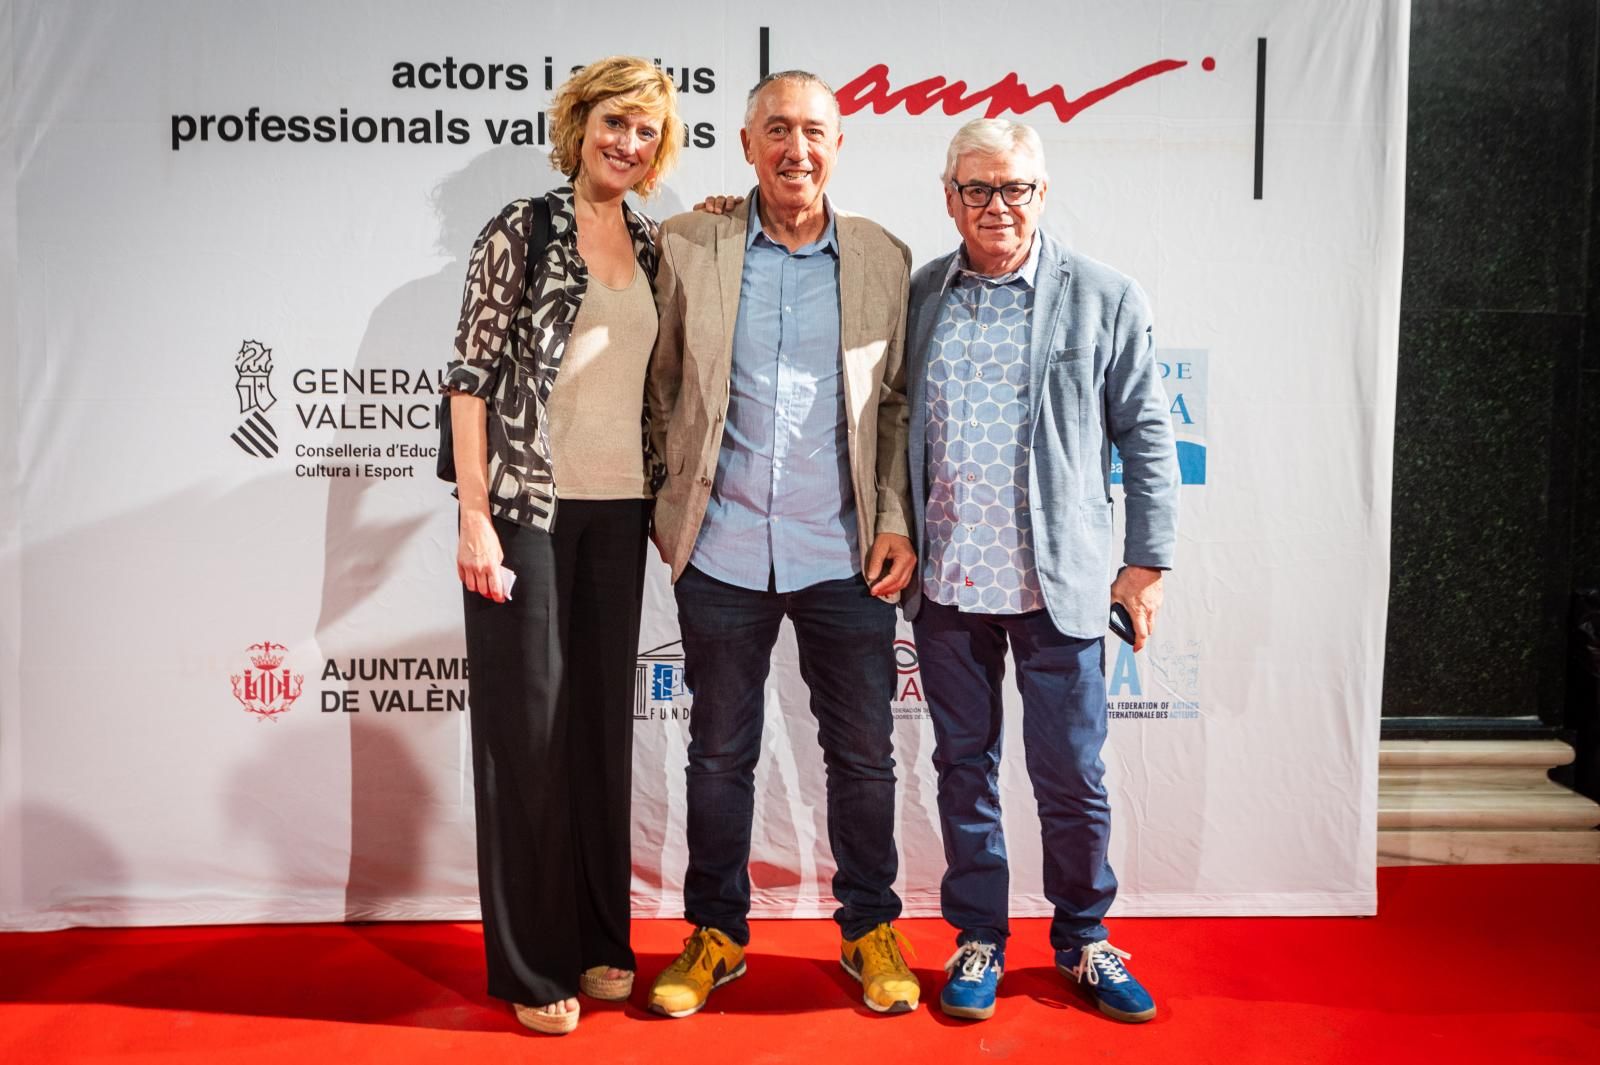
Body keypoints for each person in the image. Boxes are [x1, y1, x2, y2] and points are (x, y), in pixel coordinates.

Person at [643, 70, 921, 1017]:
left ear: (838, 145)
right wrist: (664, 507)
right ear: (746, 142)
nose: (795, 149)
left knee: (866, 758)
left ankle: (868, 927)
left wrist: (893, 517)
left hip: (844, 553)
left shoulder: (885, 256)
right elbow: (660, 384)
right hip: (719, 550)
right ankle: (715, 932)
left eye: (813, 131)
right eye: (776, 131)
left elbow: (893, 409)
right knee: (719, 755)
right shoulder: (691, 244)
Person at [902, 118, 1180, 1024]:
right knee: (963, 769)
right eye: (977, 189)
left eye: (1015, 187)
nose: (997, 205)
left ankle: (1085, 939)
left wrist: (1144, 563)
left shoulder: (1104, 295)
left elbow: (1147, 435)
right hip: (947, 586)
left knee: (1071, 775)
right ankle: (978, 934)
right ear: (949, 197)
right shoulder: (919, 297)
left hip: (1057, 586)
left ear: (1042, 193)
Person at [444, 56, 682, 1036]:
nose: (625, 143)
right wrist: (471, 515)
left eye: (644, 132)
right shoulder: (522, 226)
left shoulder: (654, 241)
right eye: (613, 123)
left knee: (595, 730)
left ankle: (597, 939)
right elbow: (470, 373)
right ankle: (532, 963)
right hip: (523, 511)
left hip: (619, 508)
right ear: (578, 122)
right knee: (527, 736)